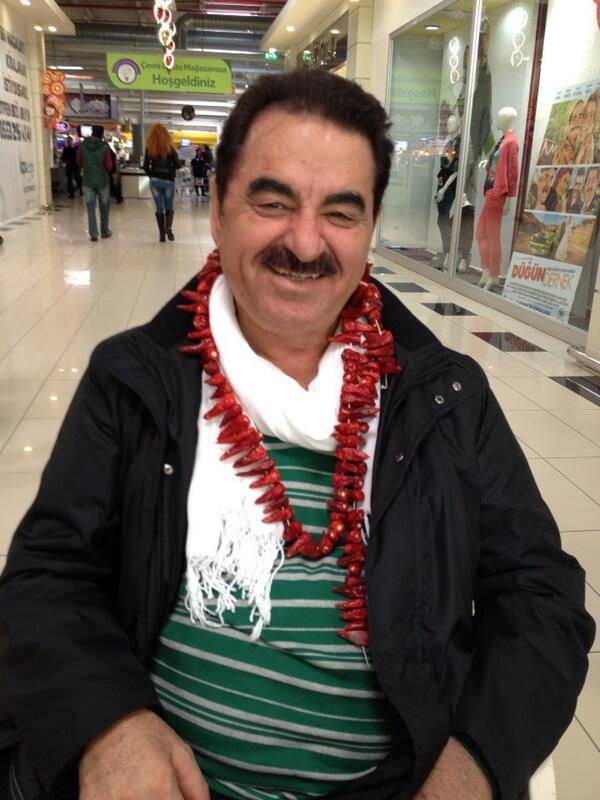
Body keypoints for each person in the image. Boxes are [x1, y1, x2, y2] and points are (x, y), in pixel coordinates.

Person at [0, 69, 594, 800]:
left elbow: (541, 597)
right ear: (219, 210)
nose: (306, 243)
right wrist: (108, 725)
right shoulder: (134, 381)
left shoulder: (444, 397)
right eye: (273, 202)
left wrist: (473, 762)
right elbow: (47, 575)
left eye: (340, 212)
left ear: (371, 230)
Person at [143, 123, 181, 242]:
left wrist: (151, 175)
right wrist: (171, 169)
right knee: (169, 206)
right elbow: (178, 165)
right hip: (168, 180)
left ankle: (162, 235)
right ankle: (168, 228)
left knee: (159, 208)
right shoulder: (170, 148)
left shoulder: (150, 148)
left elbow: (145, 166)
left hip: (155, 180)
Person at [76, 125, 112, 241]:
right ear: (101, 134)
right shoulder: (104, 147)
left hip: (88, 180)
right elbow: (109, 166)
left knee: (90, 208)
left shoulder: (82, 146)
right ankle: (104, 231)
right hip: (103, 181)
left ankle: (93, 234)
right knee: (104, 207)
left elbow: (79, 162)